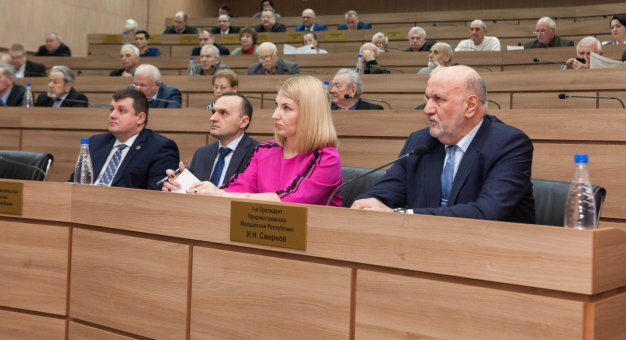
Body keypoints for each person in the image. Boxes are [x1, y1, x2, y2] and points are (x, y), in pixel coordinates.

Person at [351, 66, 535, 223]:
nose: (427, 109)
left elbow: (486, 213)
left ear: (470, 105)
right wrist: (367, 204)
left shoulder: (509, 144)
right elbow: (383, 194)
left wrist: (400, 214)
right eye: (427, 99)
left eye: (438, 99)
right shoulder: (420, 142)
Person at [163, 77, 342, 206]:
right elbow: (238, 187)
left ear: (310, 114)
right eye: (277, 106)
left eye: (286, 108)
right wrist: (189, 188)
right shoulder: (264, 150)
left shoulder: (326, 157)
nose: (275, 115)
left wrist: (220, 195)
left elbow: (289, 199)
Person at [69, 89, 179, 190]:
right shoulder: (96, 142)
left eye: (121, 110)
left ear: (140, 118)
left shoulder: (160, 147)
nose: (112, 115)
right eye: (112, 109)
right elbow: (75, 182)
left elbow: (157, 194)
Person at [174, 93, 259, 186]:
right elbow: (194, 191)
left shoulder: (258, 153)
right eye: (213, 112)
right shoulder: (201, 153)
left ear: (243, 122)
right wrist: (179, 186)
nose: (212, 118)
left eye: (224, 113)